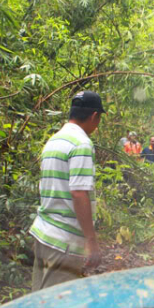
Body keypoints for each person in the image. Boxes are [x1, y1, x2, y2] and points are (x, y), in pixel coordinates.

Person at [29, 90, 105, 291]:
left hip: (44, 233)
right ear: (94, 116)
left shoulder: (54, 140)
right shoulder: (81, 144)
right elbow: (79, 193)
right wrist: (91, 242)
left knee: (39, 299)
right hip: (64, 241)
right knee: (57, 306)